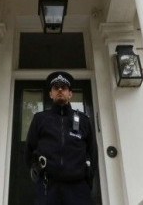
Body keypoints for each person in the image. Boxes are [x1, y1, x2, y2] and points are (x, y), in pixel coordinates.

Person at [25, 71, 98, 205]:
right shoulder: (40, 119)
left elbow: (92, 152)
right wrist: (38, 171)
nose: (60, 90)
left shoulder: (83, 120)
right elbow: (30, 150)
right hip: (48, 186)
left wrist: (86, 177)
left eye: (64, 88)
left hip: (78, 188)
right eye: (56, 88)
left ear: (70, 94)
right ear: (50, 94)